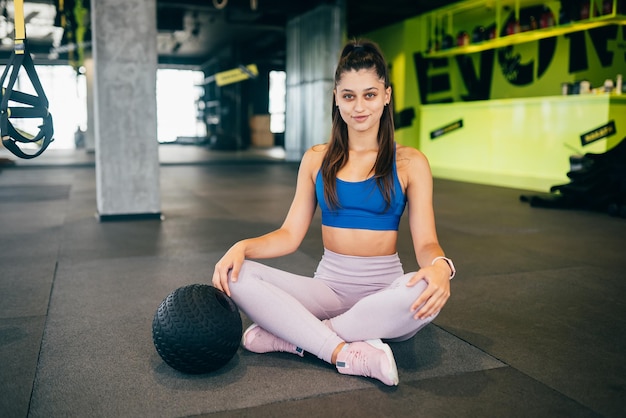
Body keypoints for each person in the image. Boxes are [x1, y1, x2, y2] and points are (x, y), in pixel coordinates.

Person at [212, 39, 454, 386]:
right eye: (348, 95)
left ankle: (295, 336)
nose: (359, 107)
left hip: (386, 293)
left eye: (369, 95)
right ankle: (341, 352)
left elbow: (427, 243)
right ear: (336, 97)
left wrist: (442, 267)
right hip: (328, 290)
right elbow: (289, 235)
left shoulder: (411, 162)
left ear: (387, 95)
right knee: (238, 276)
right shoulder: (316, 159)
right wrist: (242, 247)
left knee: (420, 291)